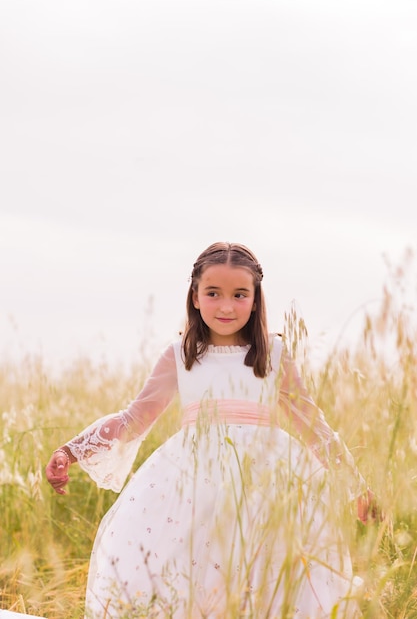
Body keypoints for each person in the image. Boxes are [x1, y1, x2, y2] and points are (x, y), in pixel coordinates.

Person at [46, 241, 376, 619]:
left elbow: (314, 427)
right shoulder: (180, 356)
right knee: (191, 575)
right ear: (196, 297)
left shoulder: (273, 355)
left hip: (269, 484)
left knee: (269, 576)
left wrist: (353, 486)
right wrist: (70, 451)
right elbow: (132, 419)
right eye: (213, 293)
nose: (225, 306)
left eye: (239, 295)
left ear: (255, 300)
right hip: (190, 485)